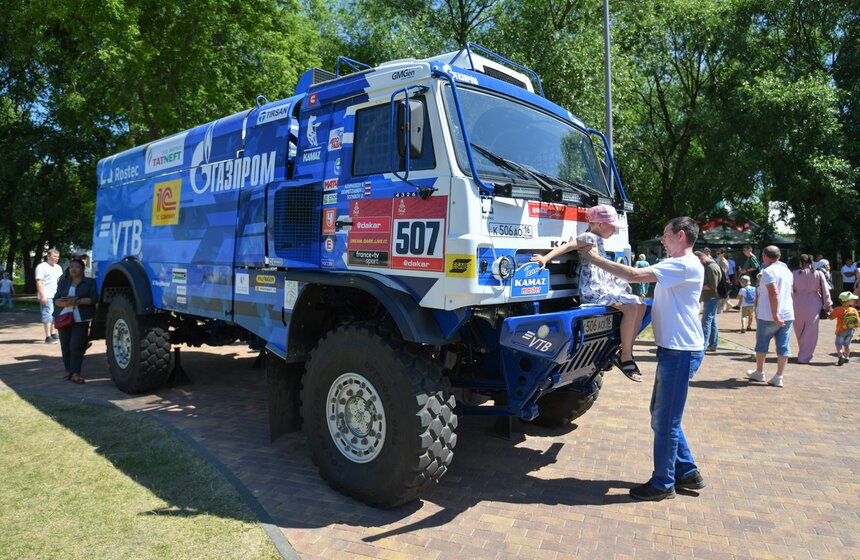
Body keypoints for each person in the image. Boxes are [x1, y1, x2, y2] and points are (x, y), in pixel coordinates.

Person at [579, 216, 706, 501]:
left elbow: (633, 275)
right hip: (677, 350)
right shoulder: (684, 264)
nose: (662, 239)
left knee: (665, 421)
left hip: (680, 352)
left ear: (681, 235)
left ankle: (663, 483)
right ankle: (687, 472)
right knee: (662, 416)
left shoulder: (681, 264)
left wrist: (593, 257)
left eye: (665, 234)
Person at [531, 205, 647, 381]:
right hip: (594, 291)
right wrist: (545, 259)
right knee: (632, 307)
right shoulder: (589, 237)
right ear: (599, 224)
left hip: (605, 288)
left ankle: (626, 350)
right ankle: (626, 356)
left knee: (641, 304)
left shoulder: (598, 240)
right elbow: (567, 246)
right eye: (612, 225)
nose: (615, 229)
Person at [746, 246, 794, 388]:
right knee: (783, 345)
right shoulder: (787, 271)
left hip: (768, 315)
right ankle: (779, 376)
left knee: (762, 344)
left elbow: (774, 293)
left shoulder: (767, 272)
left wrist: (775, 314)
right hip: (787, 313)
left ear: (765, 256)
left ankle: (760, 372)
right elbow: (789, 292)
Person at [53, 258, 98, 384]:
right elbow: (56, 298)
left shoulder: (89, 282)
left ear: (82, 269)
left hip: (80, 318)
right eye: (71, 266)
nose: (73, 269)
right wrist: (61, 302)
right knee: (65, 346)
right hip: (63, 317)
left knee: (76, 346)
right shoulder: (64, 282)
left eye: (76, 267)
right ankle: (69, 371)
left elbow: (94, 299)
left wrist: (78, 301)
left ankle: (76, 373)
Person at [792, 254, 833, 364]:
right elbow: (825, 291)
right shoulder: (818, 273)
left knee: (799, 329)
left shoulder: (794, 274)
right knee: (811, 331)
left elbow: (790, 290)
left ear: (801, 262)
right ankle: (805, 355)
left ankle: (803, 351)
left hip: (797, 303)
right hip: (813, 303)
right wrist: (828, 305)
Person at [35, 249, 63, 343]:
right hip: (46, 295)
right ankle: (48, 336)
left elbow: (60, 281)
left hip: (56, 295)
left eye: (58, 256)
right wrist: (42, 296)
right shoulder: (41, 267)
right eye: (54, 256)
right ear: (48, 256)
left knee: (55, 315)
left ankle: (53, 333)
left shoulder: (58, 267)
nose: (56, 258)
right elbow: (39, 281)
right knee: (48, 315)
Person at [695, 251, 721, 352]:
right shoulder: (711, 266)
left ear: (702, 259)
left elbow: (712, 285)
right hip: (711, 297)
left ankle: (703, 345)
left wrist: (699, 287)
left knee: (706, 321)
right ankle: (713, 344)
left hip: (712, 297)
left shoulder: (711, 267)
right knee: (712, 321)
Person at [829, 292, 859, 365]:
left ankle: (840, 356)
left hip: (841, 330)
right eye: (852, 299)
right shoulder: (853, 310)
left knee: (838, 344)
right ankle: (846, 357)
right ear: (849, 301)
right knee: (847, 345)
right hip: (851, 331)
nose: (853, 301)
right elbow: (857, 320)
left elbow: (831, 317)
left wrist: (830, 314)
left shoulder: (838, 309)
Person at [715, 248, 731, 312]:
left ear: (723, 254)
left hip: (723, 280)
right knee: (724, 295)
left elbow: (723, 273)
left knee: (722, 295)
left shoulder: (724, 262)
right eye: (717, 253)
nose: (717, 255)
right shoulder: (720, 261)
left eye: (719, 253)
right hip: (722, 280)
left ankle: (720, 309)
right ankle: (729, 305)